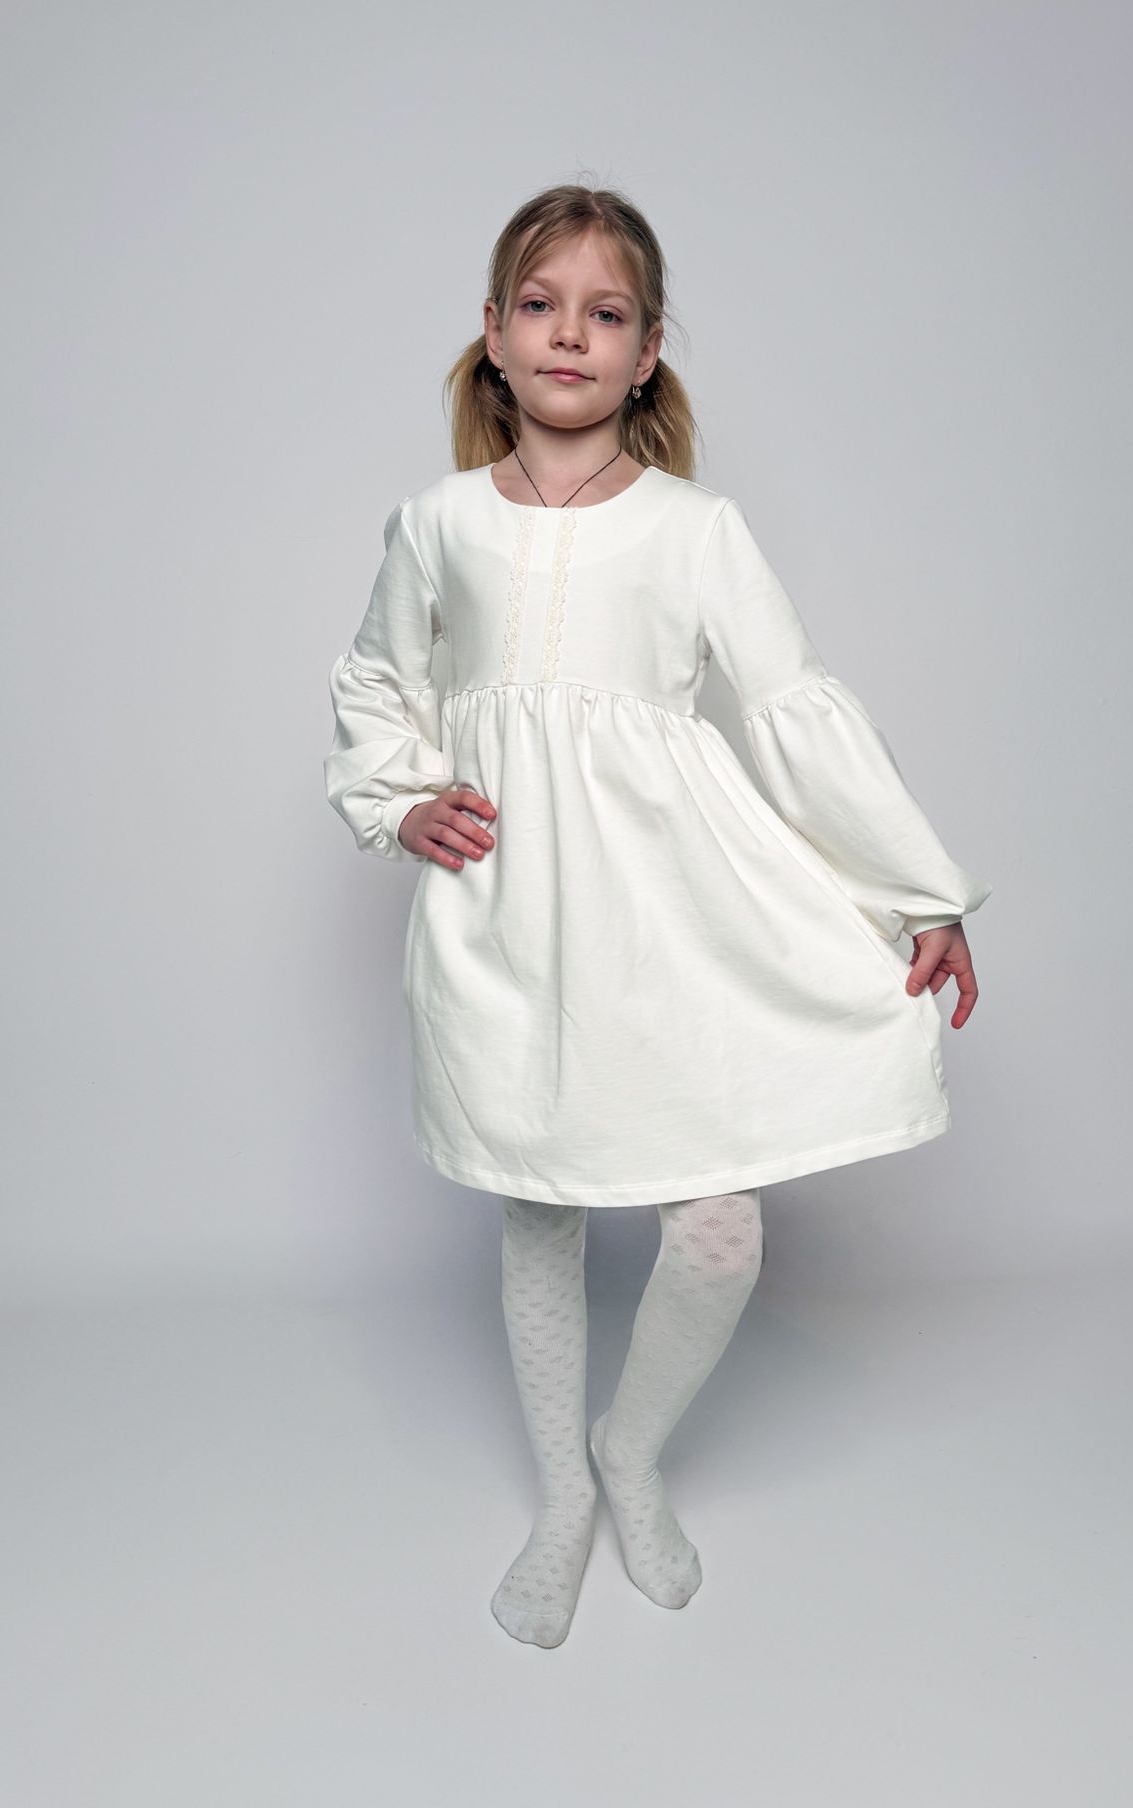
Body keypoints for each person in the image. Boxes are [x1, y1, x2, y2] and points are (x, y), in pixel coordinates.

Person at [324, 183, 992, 1649]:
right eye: (540, 304)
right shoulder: (438, 525)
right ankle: (565, 1494)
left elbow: (794, 708)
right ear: (493, 332)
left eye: (606, 312)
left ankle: (631, 1450)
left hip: (673, 921)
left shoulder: (697, 530)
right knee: (541, 1197)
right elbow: (378, 681)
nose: (570, 333)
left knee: (717, 1229)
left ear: (648, 351)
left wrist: (917, 891)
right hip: (511, 919)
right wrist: (401, 800)